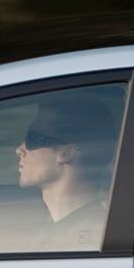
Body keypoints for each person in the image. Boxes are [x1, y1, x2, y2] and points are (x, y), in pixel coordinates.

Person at [16, 94, 118, 251]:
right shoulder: (56, 230)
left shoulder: (90, 242)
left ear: (66, 153)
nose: (19, 150)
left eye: (33, 137)